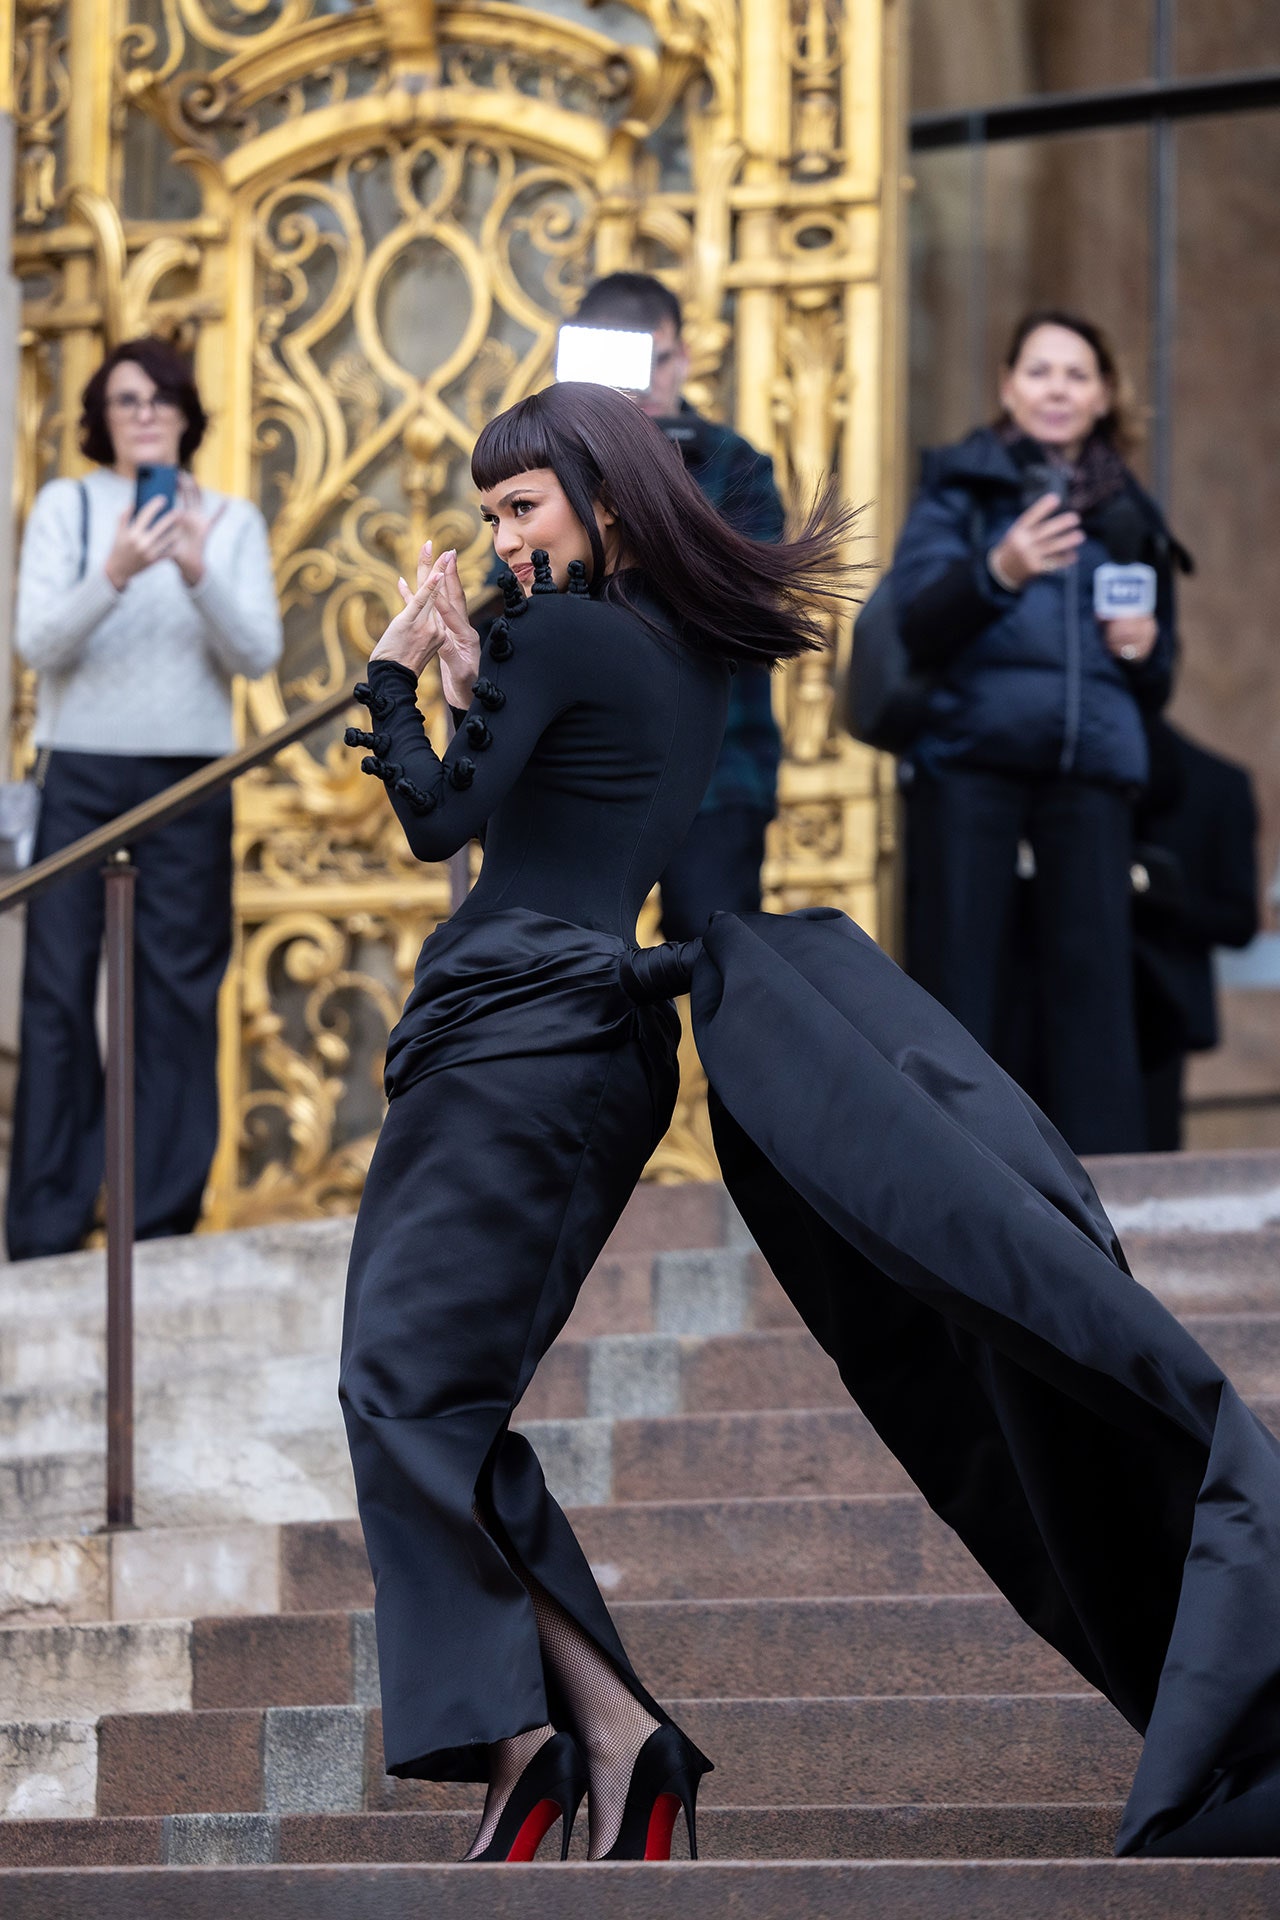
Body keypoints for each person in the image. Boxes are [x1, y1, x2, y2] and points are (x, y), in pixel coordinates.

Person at [344, 378, 1280, 1865]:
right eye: (490, 514)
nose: (500, 541)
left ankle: (579, 1733)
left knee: (404, 1399)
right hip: (577, 1039)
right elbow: (542, 809)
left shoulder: (569, 628)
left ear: (602, 495)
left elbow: (442, 824)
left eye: (519, 506)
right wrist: (477, 687)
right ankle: (588, 1734)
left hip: (516, 1032)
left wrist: (395, 679)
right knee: (420, 1402)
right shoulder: (673, 655)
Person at [7, 337, 282, 1259]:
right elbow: (38, 642)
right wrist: (116, 568)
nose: (144, 414)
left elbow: (257, 656)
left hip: (190, 778)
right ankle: (45, 1226)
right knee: (54, 995)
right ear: (101, 417)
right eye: (125, 400)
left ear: (186, 413)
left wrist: (198, 569)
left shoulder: (231, 518)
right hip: (80, 771)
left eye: (161, 398)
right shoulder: (68, 508)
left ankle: (162, 1223)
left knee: (176, 997)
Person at [893, 309, 1186, 1155]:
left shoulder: (1130, 509)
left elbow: (1160, 680)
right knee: (962, 981)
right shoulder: (963, 485)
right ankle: (954, 1165)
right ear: (1007, 386)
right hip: (971, 764)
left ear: (1103, 397)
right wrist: (999, 571)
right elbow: (917, 622)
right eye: (1041, 371)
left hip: (1089, 768)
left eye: (1077, 374)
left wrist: (1144, 651)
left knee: (1094, 991)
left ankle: (1107, 1189)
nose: (1058, 389)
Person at [573, 272, 785, 940]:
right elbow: (519, 593)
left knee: (726, 961)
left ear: (682, 357)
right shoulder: (558, 463)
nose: (639, 384)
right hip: (590, 770)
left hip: (716, 766)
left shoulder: (733, 463)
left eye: (653, 361)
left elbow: (747, 602)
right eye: (619, 361)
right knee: (584, 970)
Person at [1132, 716, 1259, 1149]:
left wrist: (1154, 897)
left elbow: (1240, 919)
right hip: (1061, 1002)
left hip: (1163, 1006)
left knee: (1152, 1146)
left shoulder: (1213, 781)